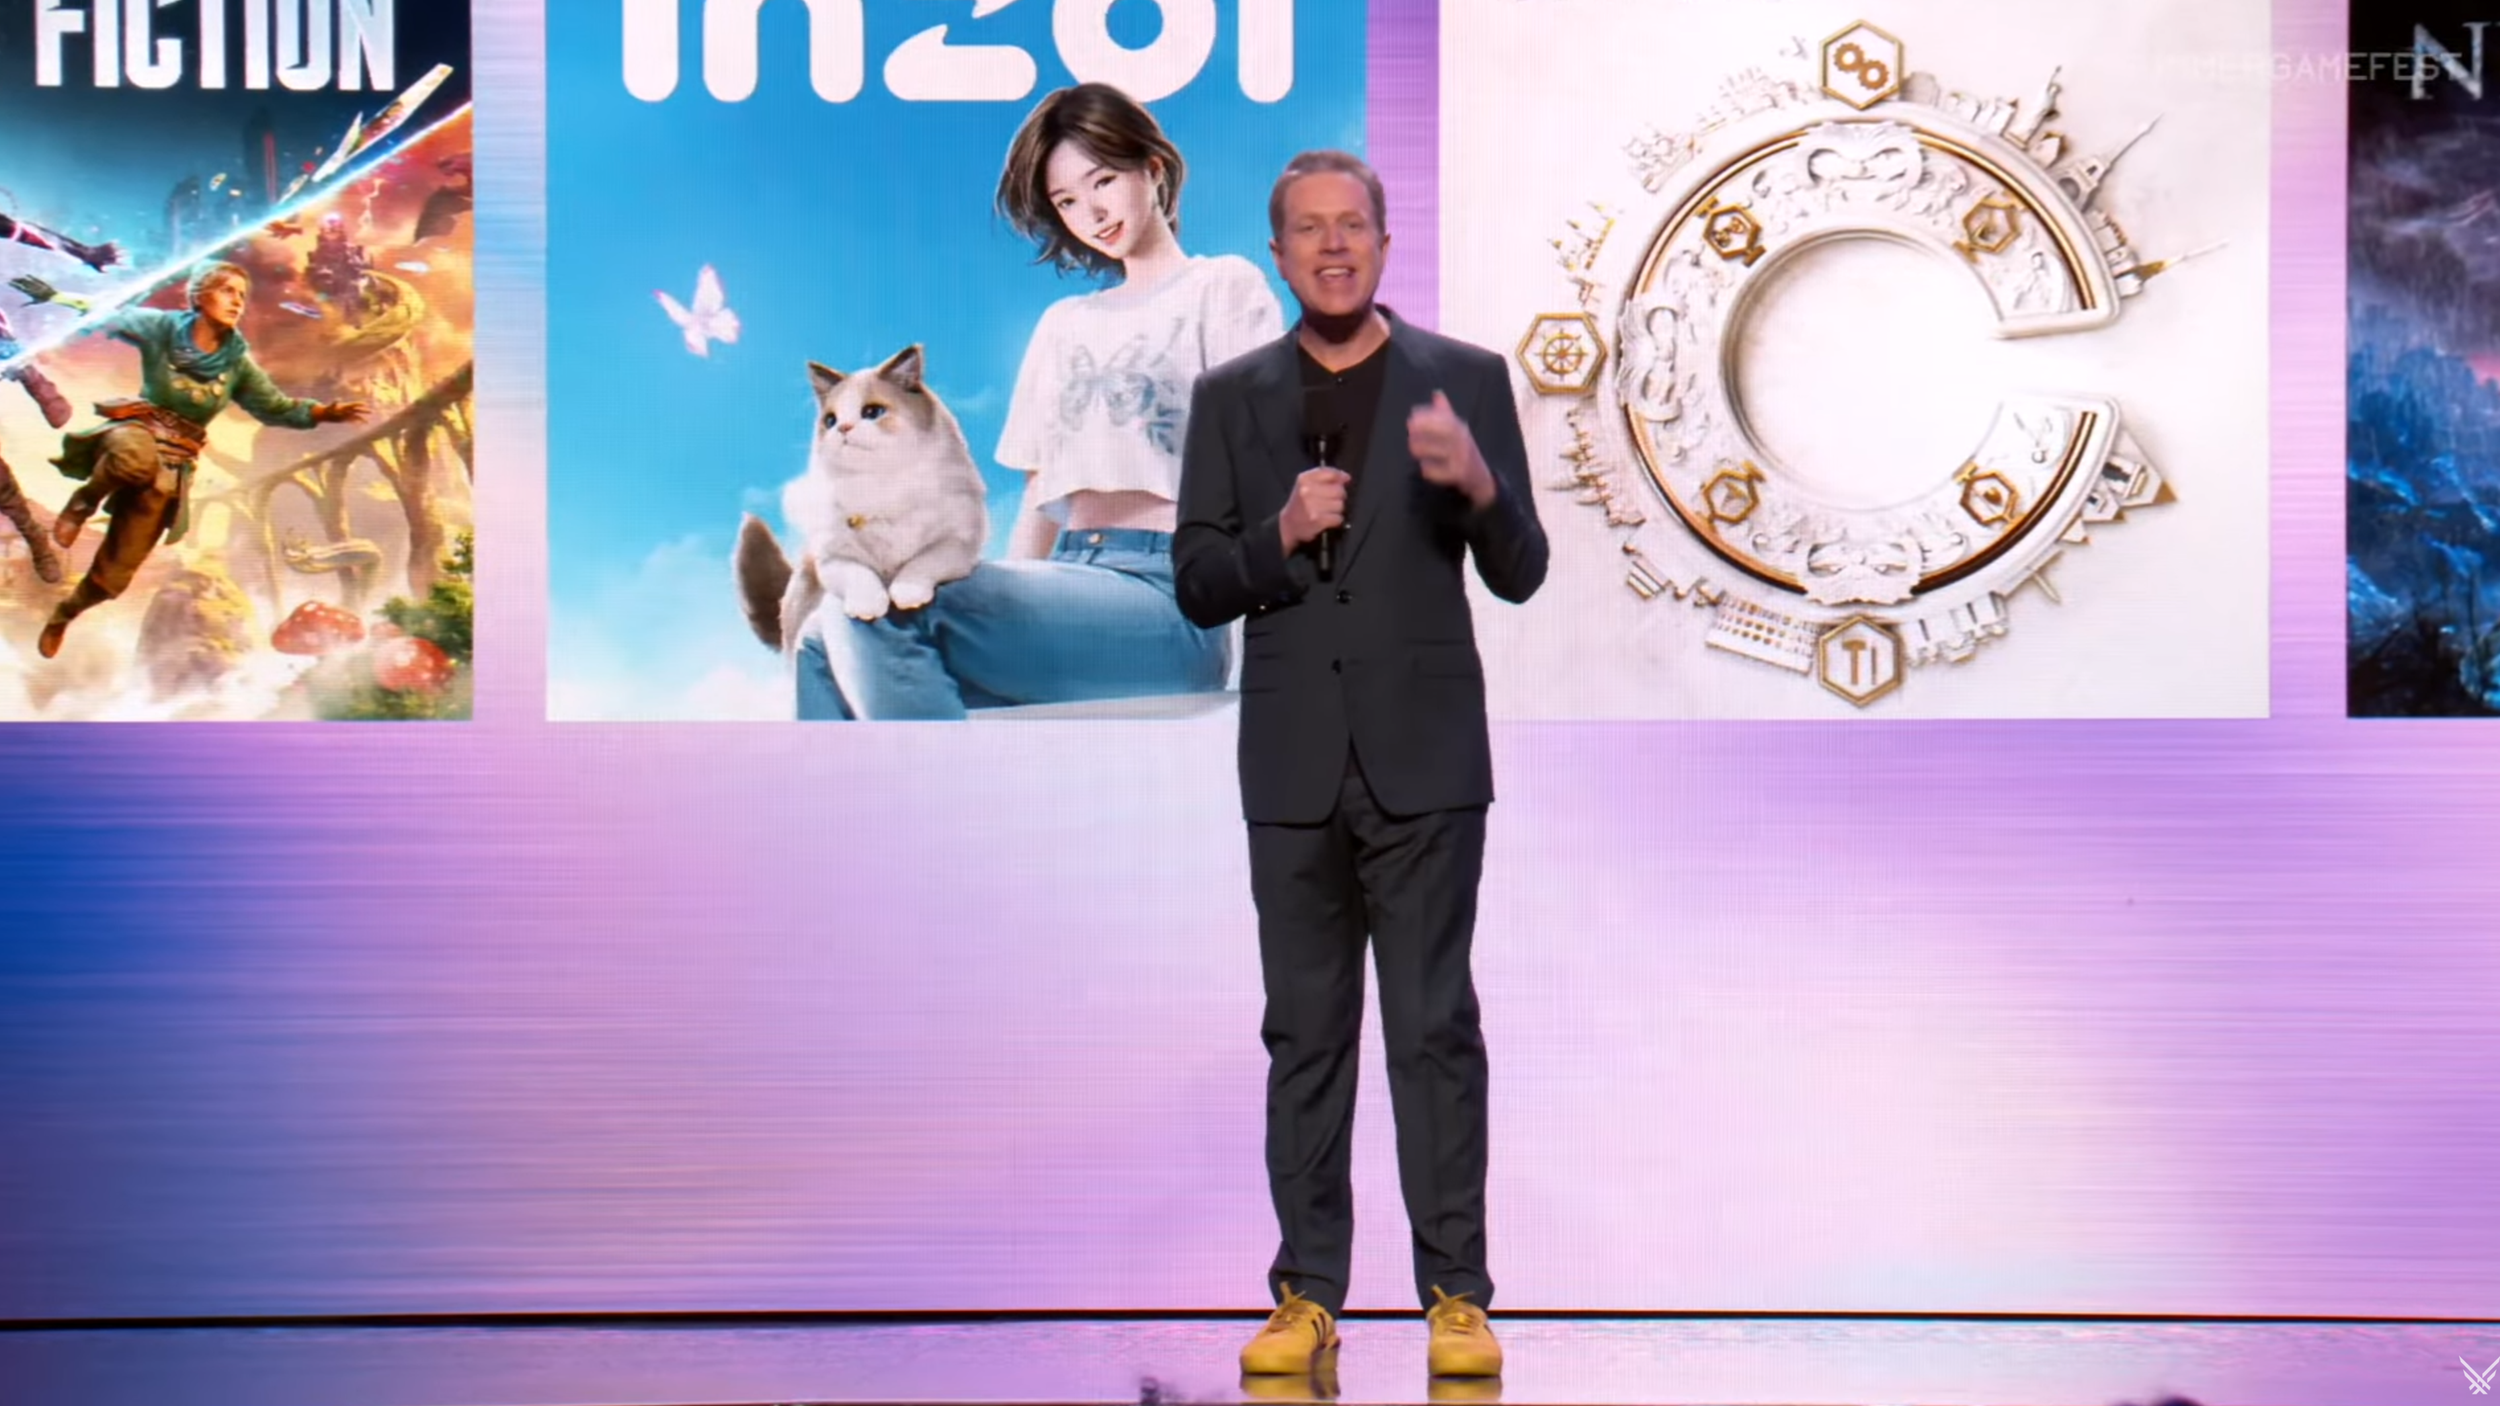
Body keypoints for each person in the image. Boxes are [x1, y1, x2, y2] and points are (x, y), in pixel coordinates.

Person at [1171, 151, 1547, 1382]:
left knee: (1435, 1028)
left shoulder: (1465, 380)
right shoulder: (1230, 398)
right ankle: (1306, 1293)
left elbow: (1522, 566)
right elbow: (1193, 581)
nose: (1332, 247)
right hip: (1290, 763)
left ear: (1385, 245)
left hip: (1425, 760)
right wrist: (1276, 537)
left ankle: (1456, 1292)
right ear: (1276, 255)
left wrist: (1482, 486)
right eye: (1307, 231)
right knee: (1306, 1033)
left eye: (1354, 227)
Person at [793, 82, 1281, 718]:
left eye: (1103, 181)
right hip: (1069, 583)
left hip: (1171, 595)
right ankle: (860, 814)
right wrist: (1001, 602)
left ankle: (925, 807)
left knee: (877, 611)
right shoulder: (1063, 323)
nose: (1093, 213)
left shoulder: (1221, 288)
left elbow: (1270, 458)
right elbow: (1039, 493)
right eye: (1068, 202)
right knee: (817, 641)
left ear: (1152, 168)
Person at [14, 262, 365, 658]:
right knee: (133, 457)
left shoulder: (236, 364)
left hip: (175, 465)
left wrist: (323, 412)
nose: (237, 301)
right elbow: (109, 312)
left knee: (116, 574)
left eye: (242, 295)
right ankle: (83, 502)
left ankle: (64, 614)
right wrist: (56, 297)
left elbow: (274, 407)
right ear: (200, 295)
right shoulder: (162, 328)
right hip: (136, 432)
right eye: (228, 291)